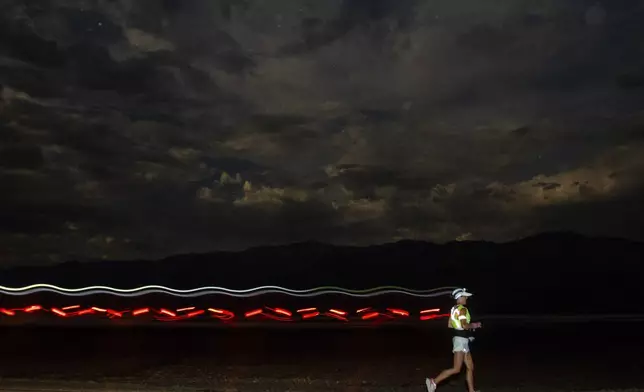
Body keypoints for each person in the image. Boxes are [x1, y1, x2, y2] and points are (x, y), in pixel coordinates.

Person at [425, 288, 482, 392]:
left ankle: (471, 390)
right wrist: (475, 325)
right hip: (460, 341)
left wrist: (464, 334)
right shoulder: (463, 309)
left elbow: (450, 325)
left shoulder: (453, 309)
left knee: (470, 366)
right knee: (456, 369)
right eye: (464, 296)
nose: (466, 298)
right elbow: (465, 325)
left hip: (461, 339)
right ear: (459, 297)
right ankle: (433, 382)